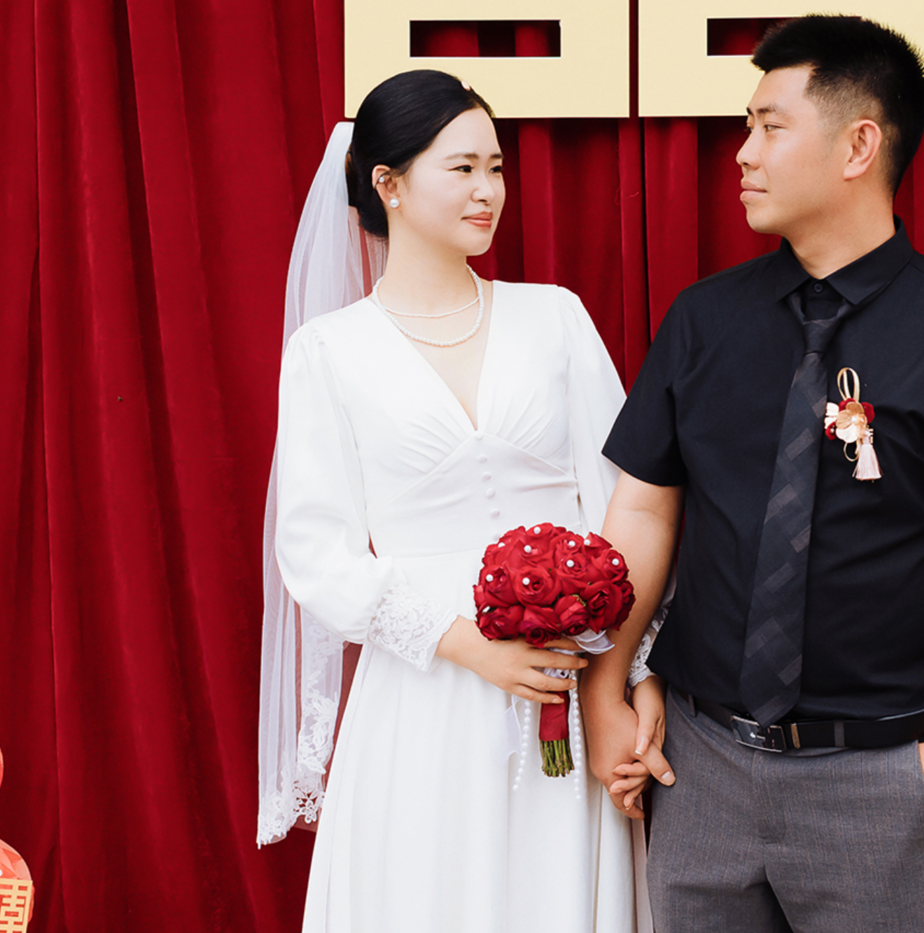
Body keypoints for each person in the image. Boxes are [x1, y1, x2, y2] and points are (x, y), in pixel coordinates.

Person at [583, 15, 924, 933]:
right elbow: (643, 510)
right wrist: (602, 692)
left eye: (770, 126)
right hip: (699, 763)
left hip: (879, 778)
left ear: (858, 145)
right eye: (748, 126)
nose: (743, 153)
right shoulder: (703, 320)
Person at [256, 70, 662, 932]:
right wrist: (462, 643)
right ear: (389, 184)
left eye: (497, 168)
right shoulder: (329, 351)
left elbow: (626, 499)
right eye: (464, 168)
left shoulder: (555, 318)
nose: (489, 191)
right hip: (423, 689)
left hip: (567, 672)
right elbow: (316, 550)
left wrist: (633, 670)